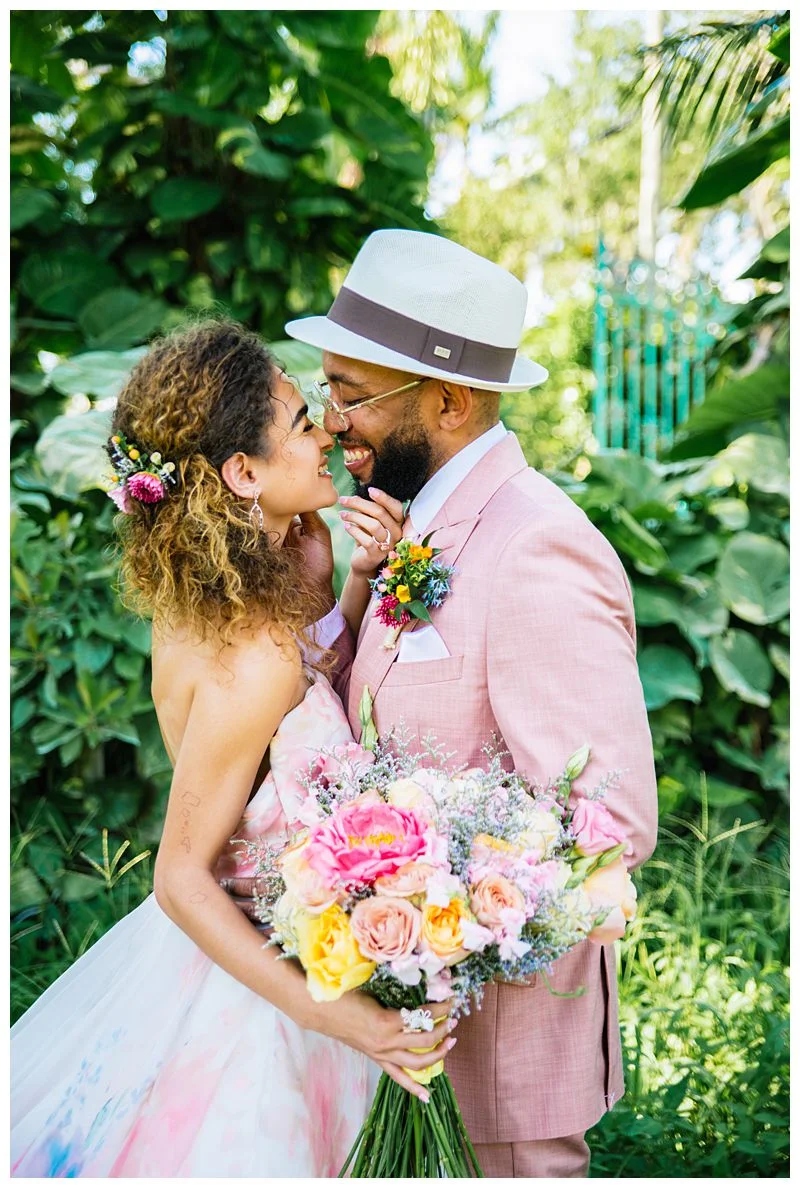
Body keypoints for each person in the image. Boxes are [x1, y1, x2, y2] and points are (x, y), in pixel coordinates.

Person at [10, 319, 457, 1178]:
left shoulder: (250, 593)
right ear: (242, 473)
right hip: (254, 991)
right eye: (299, 421)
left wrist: (343, 590)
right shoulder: (243, 651)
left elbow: (296, 714)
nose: (327, 428)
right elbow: (180, 877)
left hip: (291, 944)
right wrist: (348, 1020)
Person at [285, 229, 659, 1178]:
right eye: (326, 389)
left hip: (500, 1066)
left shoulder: (537, 547)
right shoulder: (418, 526)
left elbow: (606, 825)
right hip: (396, 1044)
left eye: (350, 394)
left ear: (449, 400)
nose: (330, 423)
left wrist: (438, 911)